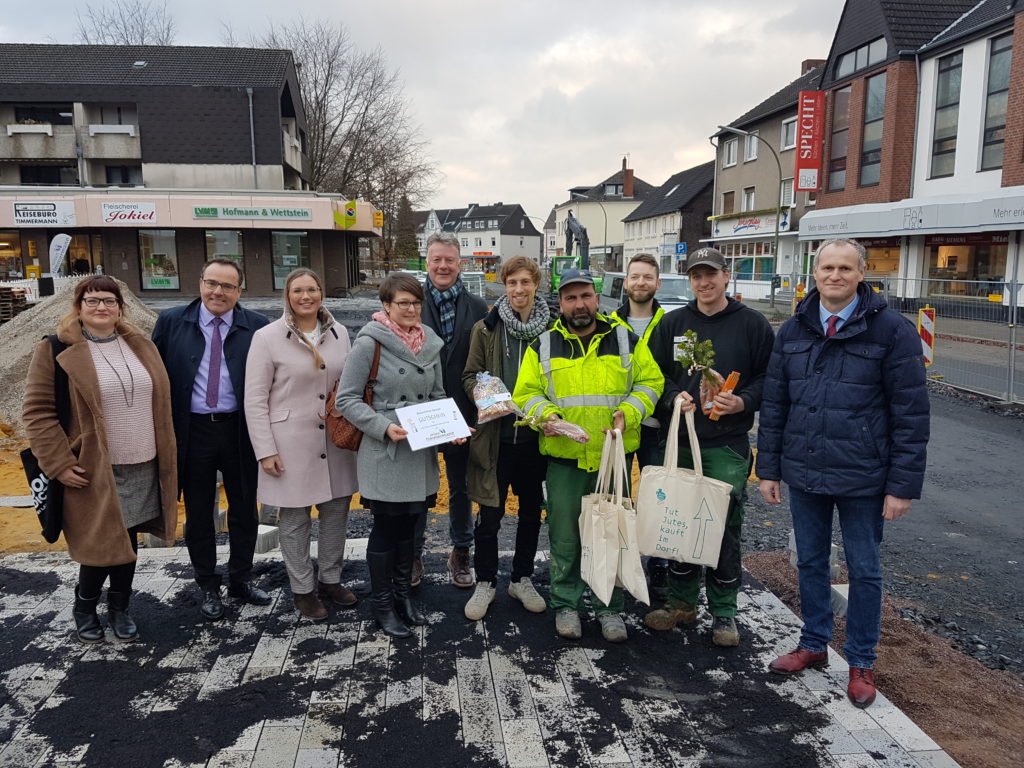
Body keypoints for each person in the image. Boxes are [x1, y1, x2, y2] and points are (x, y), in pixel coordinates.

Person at [757, 238, 929, 708]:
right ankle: (813, 644)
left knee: (865, 570)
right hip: (806, 469)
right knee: (810, 562)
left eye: (844, 268)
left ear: (861, 273)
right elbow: (775, 405)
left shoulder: (892, 331)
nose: (835, 275)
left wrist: (902, 486)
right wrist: (768, 467)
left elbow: (911, 414)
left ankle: (861, 661)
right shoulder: (793, 330)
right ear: (814, 274)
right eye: (827, 267)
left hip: (864, 476)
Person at [23, 276, 177, 643]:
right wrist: (58, 463)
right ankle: (85, 606)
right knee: (101, 543)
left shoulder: (139, 345)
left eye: (109, 301)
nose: (101, 307)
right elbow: (37, 412)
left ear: (120, 307)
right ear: (79, 306)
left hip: (144, 461)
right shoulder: (56, 348)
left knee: (127, 539)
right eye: (92, 301)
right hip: (94, 468)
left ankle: (120, 608)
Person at [513, 269, 663, 642]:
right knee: (565, 537)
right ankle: (567, 604)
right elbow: (525, 393)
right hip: (565, 457)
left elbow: (651, 382)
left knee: (611, 533)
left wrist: (628, 413)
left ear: (597, 299)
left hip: (613, 459)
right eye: (570, 298)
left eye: (585, 296)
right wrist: (545, 417)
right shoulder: (543, 345)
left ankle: (609, 608)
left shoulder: (626, 339)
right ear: (559, 303)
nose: (579, 304)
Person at [644, 247, 775, 647]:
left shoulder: (752, 325)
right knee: (680, 523)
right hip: (681, 440)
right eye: (697, 275)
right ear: (690, 280)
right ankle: (683, 603)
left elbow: (771, 378)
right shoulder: (673, 323)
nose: (704, 282)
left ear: (726, 276)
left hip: (726, 444)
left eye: (711, 274)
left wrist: (744, 401)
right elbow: (654, 375)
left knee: (721, 526)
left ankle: (724, 612)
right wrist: (672, 399)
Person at [336, 273, 464, 638]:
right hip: (386, 450)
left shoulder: (430, 345)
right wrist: (382, 427)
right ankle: (382, 605)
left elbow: (437, 394)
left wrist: (451, 427)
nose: (410, 309)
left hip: (418, 449)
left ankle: (403, 597)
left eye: (415, 302)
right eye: (402, 303)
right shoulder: (369, 343)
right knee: (386, 529)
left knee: (411, 529)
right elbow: (346, 399)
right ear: (386, 306)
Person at [152, 258, 271, 621]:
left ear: (240, 291)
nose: (218, 292)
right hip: (193, 431)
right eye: (211, 283)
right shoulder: (172, 322)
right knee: (200, 511)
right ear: (200, 282)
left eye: (228, 286)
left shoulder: (257, 328)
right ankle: (207, 583)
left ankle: (240, 578)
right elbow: (154, 379)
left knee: (244, 510)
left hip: (239, 431)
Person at [245, 268, 358, 621]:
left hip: (335, 439)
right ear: (287, 296)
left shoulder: (340, 334)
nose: (306, 296)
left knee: (336, 513)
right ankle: (303, 590)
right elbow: (255, 398)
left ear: (322, 293)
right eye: (298, 290)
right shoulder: (267, 338)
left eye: (312, 289)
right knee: (294, 519)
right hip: (289, 443)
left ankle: (330, 579)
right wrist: (265, 450)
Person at [461, 256, 552, 621]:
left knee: (531, 514)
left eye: (525, 282)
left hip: (534, 439)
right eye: (512, 282)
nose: (518, 290)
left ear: (536, 285)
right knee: (490, 515)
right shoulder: (485, 328)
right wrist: (487, 396)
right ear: (504, 285)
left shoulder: (553, 331)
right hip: (496, 439)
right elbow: (469, 376)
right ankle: (486, 581)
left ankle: (521, 578)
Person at [417, 231, 487, 588]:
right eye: (436, 259)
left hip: (462, 413)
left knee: (461, 487)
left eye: (450, 259)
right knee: (417, 486)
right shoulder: (410, 301)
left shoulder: (477, 307)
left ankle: (461, 551)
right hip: (420, 412)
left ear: (460, 263)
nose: (443, 266)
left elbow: (485, 362)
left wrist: (485, 408)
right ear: (426, 263)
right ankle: (413, 553)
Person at [609, 252, 670, 601]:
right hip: (618, 423)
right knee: (620, 495)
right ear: (626, 282)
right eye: (635, 277)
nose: (641, 283)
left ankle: (658, 563)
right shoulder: (609, 324)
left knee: (656, 495)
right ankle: (621, 557)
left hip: (657, 425)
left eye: (648, 277)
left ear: (656, 283)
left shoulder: (671, 324)